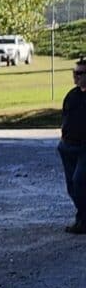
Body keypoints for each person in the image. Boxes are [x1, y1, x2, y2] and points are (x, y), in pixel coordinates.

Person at [61, 58, 86, 235]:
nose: (75, 77)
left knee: (79, 182)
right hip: (67, 146)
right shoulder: (72, 95)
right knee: (71, 186)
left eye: (79, 73)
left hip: (84, 147)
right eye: (74, 73)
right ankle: (82, 220)